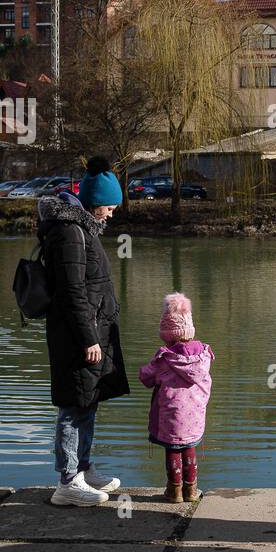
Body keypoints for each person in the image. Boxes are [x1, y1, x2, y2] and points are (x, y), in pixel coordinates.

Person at [39, 157, 129, 507]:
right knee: (73, 406)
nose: (111, 213)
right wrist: (88, 337)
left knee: (88, 401)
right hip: (78, 335)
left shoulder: (82, 229)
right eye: (109, 206)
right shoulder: (69, 233)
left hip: (93, 331)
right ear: (94, 202)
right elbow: (72, 291)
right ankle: (67, 482)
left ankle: (84, 469)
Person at [140, 293, 214, 503]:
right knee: (189, 447)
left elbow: (145, 377)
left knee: (173, 449)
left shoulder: (164, 358)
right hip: (195, 415)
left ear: (166, 333)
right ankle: (191, 490)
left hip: (170, 414)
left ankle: (175, 491)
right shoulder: (204, 355)